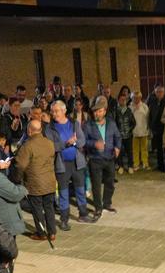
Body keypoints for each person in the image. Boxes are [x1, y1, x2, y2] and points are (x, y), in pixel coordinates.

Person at [45, 100, 92, 230]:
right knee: (63, 192)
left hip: (77, 163)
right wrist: (67, 143)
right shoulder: (50, 128)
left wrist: (75, 143)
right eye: (52, 111)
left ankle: (83, 214)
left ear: (64, 111)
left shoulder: (74, 123)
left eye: (57, 111)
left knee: (80, 190)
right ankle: (64, 219)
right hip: (62, 165)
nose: (54, 114)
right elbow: (50, 147)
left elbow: (82, 141)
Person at [15, 120, 57, 240]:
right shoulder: (49, 143)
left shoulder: (27, 145)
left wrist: (18, 179)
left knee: (37, 208)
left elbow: (20, 165)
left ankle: (41, 233)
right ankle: (52, 232)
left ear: (29, 130)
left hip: (35, 183)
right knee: (49, 207)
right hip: (49, 181)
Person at [84, 96, 122, 219]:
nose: (97, 113)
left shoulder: (111, 122)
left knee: (110, 183)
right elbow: (83, 141)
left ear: (104, 111)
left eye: (99, 111)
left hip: (110, 157)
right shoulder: (88, 125)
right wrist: (94, 144)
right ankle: (98, 207)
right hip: (95, 159)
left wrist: (117, 147)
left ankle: (106, 204)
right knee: (96, 185)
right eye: (95, 111)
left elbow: (117, 136)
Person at [147, 86, 165, 172]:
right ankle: (160, 165)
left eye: (161, 92)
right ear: (155, 93)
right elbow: (149, 114)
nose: (159, 93)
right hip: (156, 128)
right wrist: (151, 126)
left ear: (164, 93)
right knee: (158, 148)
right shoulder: (152, 102)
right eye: (157, 92)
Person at [115, 92, 136, 175]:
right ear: (118, 100)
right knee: (119, 152)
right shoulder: (116, 111)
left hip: (128, 135)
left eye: (124, 100)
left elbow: (133, 123)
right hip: (119, 136)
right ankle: (121, 166)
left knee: (129, 151)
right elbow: (114, 122)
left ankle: (130, 166)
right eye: (121, 100)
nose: (123, 101)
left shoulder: (129, 110)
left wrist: (129, 130)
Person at [130, 91, 150, 171]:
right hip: (134, 131)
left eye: (138, 97)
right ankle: (136, 163)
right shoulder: (130, 107)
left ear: (140, 98)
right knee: (135, 149)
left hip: (144, 130)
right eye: (134, 98)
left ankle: (145, 163)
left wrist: (148, 128)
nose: (136, 99)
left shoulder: (145, 106)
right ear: (132, 98)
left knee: (144, 148)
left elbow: (148, 117)